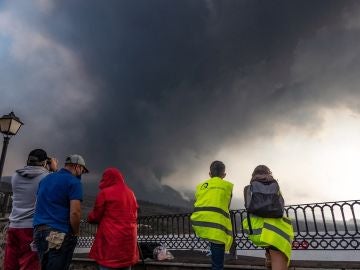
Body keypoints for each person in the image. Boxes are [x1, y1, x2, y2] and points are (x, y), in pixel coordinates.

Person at [3, 149, 57, 270]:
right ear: (44, 163)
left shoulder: (16, 176)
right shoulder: (47, 177)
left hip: (14, 226)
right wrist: (53, 169)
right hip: (32, 228)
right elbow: (56, 185)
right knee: (30, 264)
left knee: (11, 264)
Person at [33, 154, 89, 270]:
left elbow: (38, 203)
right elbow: (75, 213)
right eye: (82, 170)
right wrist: (76, 232)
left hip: (39, 232)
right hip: (59, 233)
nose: (82, 173)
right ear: (76, 166)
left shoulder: (45, 179)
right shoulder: (74, 182)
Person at [242, 165, 294, 270]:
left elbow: (248, 207)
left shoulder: (248, 188)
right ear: (268, 174)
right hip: (275, 232)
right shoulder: (275, 186)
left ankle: (269, 256)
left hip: (256, 232)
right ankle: (271, 257)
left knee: (270, 246)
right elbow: (280, 208)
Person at [87, 167, 139, 270]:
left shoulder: (105, 193)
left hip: (111, 242)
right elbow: (135, 216)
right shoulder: (131, 193)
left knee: (107, 265)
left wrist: (89, 217)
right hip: (129, 243)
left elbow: (96, 216)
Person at [190, 161, 233, 270]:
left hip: (199, 223)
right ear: (224, 175)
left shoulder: (200, 186)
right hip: (216, 226)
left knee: (213, 248)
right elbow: (227, 206)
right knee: (217, 265)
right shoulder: (227, 186)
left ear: (210, 174)